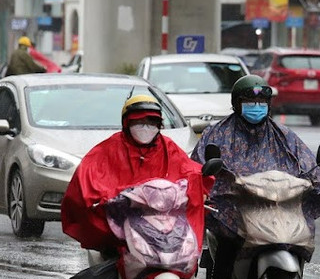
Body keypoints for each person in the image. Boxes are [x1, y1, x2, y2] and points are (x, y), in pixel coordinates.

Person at [191, 74, 320, 279]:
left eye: (261, 102)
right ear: (237, 103)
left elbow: (307, 163)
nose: (256, 106)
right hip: (236, 206)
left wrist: (316, 182)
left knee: (298, 238)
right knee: (228, 240)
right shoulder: (218, 134)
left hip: (276, 204)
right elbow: (199, 166)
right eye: (249, 100)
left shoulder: (283, 135)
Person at [61, 95, 210, 260]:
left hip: (164, 224)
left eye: (151, 122)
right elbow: (87, 178)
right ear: (126, 123)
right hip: (121, 225)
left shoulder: (169, 148)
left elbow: (190, 171)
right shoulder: (108, 149)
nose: (145, 127)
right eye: (138, 122)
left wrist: (202, 185)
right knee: (111, 258)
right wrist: (106, 199)